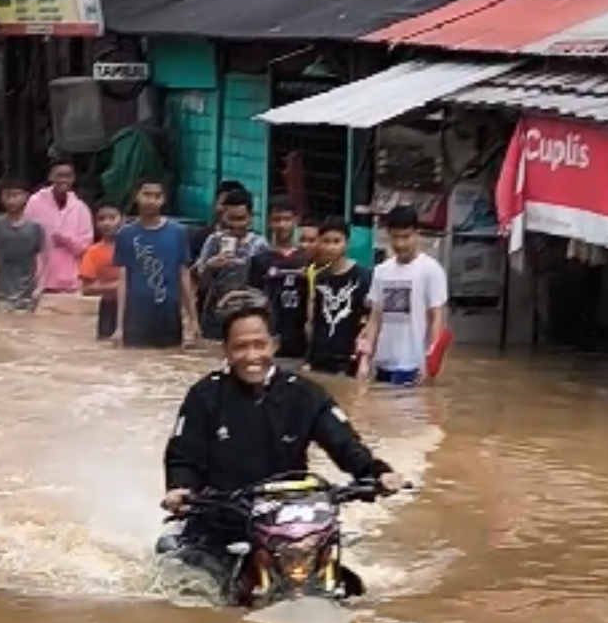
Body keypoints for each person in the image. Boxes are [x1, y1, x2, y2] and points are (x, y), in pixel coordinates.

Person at [163, 299, 403, 555]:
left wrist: (378, 473)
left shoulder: (305, 394)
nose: (252, 356)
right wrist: (180, 489)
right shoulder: (204, 395)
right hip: (221, 522)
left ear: (274, 345)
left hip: (292, 522)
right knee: (190, 582)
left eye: (259, 345)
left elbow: (345, 445)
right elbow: (183, 456)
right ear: (226, 351)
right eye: (240, 347)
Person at [361, 205, 449, 384]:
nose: (400, 244)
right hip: (382, 363)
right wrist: (365, 358)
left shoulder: (431, 270)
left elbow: (436, 319)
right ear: (388, 235)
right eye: (395, 237)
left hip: (414, 365)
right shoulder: (381, 271)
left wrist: (430, 364)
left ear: (417, 233)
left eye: (406, 237)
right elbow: (375, 318)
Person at [112, 179, 200, 349]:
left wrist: (193, 320)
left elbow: (184, 276)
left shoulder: (178, 232)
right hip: (136, 314)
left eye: (157, 196)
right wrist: (119, 326)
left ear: (164, 200)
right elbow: (122, 281)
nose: (152, 200)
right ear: (136, 196)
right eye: (147, 194)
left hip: (168, 314)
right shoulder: (125, 234)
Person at [196, 188, 267, 341]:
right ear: (223, 216)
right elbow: (197, 280)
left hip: (247, 312)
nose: (235, 225)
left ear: (251, 218)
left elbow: (263, 285)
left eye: (241, 219)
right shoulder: (214, 240)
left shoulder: (260, 244)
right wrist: (210, 266)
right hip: (215, 313)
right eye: (230, 218)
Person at [306, 217, 371, 376]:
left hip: (348, 359)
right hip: (320, 358)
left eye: (336, 241)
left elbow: (369, 321)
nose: (331, 247)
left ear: (347, 243)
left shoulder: (364, 276)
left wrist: (364, 359)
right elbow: (316, 321)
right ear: (319, 243)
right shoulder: (320, 277)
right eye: (326, 241)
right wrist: (309, 359)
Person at [250, 195, 313, 359]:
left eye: (287, 219)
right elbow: (253, 298)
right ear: (269, 222)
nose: (282, 225)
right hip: (271, 334)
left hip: (302, 337)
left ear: (296, 221)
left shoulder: (308, 259)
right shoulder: (260, 259)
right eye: (276, 220)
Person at [26, 159, 94, 294]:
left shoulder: (81, 208)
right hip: (40, 278)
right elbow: (24, 237)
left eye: (67, 176)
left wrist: (67, 240)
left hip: (71, 280)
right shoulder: (34, 202)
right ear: (50, 177)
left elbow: (86, 245)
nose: (63, 180)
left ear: (73, 179)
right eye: (59, 175)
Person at [0, 178, 46, 311]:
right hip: (1, 294)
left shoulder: (36, 227)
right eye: (7, 195)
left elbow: (44, 259)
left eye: (16, 195)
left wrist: (40, 287)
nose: (11, 200)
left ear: (26, 197)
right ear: (1, 198)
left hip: (28, 295)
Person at [79, 204, 125, 340]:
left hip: (135, 306)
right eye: (101, 219)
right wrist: (119, 285)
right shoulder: (92, 252)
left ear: (122, 220)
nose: (107, 223)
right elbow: (86, 289)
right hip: (109, 307)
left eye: (112, 218)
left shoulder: (136, 247)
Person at [190, 179, 249, 262]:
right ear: (215, 204)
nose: (228, 210)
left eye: (234, 204)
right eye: (224, 204)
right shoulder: (202, 237)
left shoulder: (256, 243)